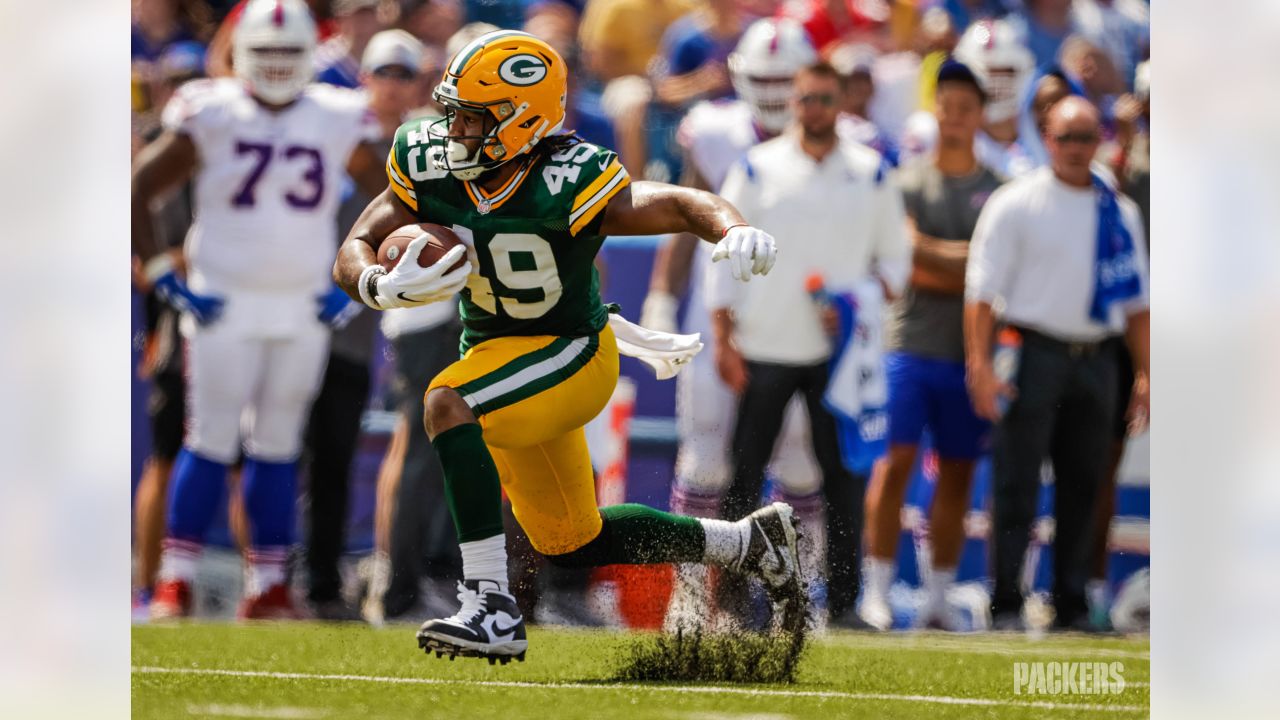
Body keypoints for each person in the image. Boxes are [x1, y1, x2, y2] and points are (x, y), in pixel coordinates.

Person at [332, 29, 802, 662]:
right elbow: (360, 239)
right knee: (570, 541)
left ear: (523, 120)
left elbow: (679, 203)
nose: (456, 133)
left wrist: (733, 227)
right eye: (455, 115)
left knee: (447, 402)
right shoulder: (430, 159)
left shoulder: (568, 173)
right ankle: (746, 544)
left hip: (570, 352)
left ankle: (491, 608)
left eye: (474, 120)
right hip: (496, 353)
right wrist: (375, 282)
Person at [131, 0, 388, 621]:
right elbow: (139, 185)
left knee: (277, 444)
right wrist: (165, 274)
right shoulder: (211, 109)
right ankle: (176, 579)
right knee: (209, 437)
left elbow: (392, 197)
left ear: (309, 57)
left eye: (288, 54)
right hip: (225, 299)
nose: (276, 66)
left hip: (301, 304)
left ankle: (268, 583)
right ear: (243, 54)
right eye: (265, 53)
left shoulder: (338, 115)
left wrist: (352, 283)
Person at [637, 18, 825, 632]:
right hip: (718, 308)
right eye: (762, 78)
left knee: (802, 465)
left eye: (783, 79)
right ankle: (691, 598)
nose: (772, 91)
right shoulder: (714, 133)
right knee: (705, 462)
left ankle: (801, 599)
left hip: (796, 315)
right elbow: (685, 218)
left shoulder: (840, 144)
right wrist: (662, 297)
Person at [708, 61, 910, 629]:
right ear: (792, 103)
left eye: (825, 98)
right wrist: (723, 338)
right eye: (806, 99)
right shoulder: (757, 167)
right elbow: (723, 253)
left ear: (842, 101)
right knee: (744, 476)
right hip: (766, 346)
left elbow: (895, 263)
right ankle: (731, 601)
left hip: (839, 356)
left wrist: (855, 300)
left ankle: (843, 602)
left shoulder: (871, 172)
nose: (814, 109)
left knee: (843, 478)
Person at [965, 96, 1149, 632]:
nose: (1075, 148)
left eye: (1086, 137)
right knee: (1016, 484)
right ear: (1046, 137)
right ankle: (1006, 602)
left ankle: (1070, 602)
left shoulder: (1118, 209)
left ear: (1100, 142)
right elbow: (981, 293)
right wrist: (979, 365)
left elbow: (1138, 301)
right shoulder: (1016, 202)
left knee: (1084, 486)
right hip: (1032, 351)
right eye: (1066, 137)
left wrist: (1145, 373)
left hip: (1096, 356)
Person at [860, 60, 1002, 631]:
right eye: (948, 103)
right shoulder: (907, 180)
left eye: (967, 106)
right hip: (909, 343)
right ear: (936, 107)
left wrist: (936, 257)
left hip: (967, 353)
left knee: (959, 473)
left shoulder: (997, 188)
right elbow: (910, 260)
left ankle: (938, 595)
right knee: (893, 466)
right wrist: (972, 263)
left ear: (980, 114)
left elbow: (994, 274)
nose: (956, 115)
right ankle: (877, 589)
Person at [303, 29, 432, 622]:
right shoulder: (334, 124)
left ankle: (333, 580)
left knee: (340, 453)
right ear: (365, 77)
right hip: (300, 305)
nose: (392, 85)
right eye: (384, 72)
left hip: (362, 318)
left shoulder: (425, 141)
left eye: (404, 75)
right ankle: (261, 574)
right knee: (260, 447)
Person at [314, 0, 387, 89]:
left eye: (370, 14)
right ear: (340, 20)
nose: (364, 23)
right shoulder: (321, 64)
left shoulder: (390, 61)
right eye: (358, 15)